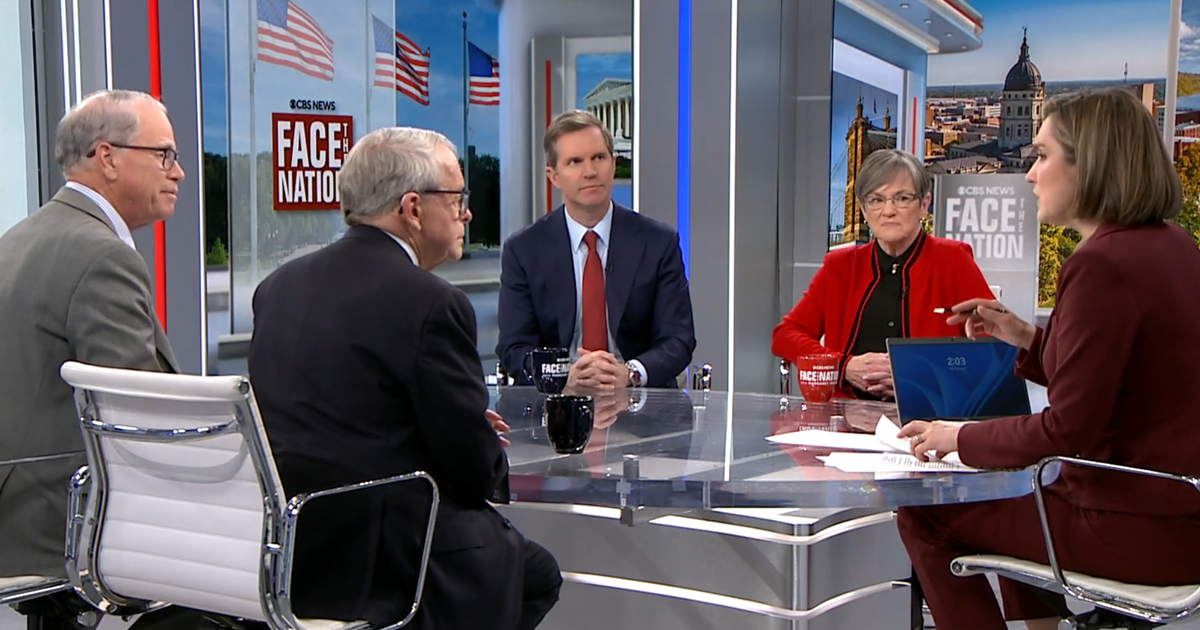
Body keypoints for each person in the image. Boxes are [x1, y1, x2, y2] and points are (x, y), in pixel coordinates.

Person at [894, 88, 1200, 630]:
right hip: (1178, 521)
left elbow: (1068, 430)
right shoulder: (1171, 245)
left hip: (1134, 529)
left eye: (1042, 156)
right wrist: (1023, 336)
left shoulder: (1101, 264)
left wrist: (956, 436)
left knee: (925, 514)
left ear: (1091, 163)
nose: (1031, 175)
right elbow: (1119, 381)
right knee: (1016, 487)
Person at [248, 127, 561, 630]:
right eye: (458, 199)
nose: (466, 215)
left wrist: (442, 423)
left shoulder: (278, 286)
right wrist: (473, 435)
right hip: (387, 556)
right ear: (413, 208)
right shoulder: (431, 302)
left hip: (295, 551)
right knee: (536, 574)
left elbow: (341, 413)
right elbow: (474, 471)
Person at [0, 89, 181, 585]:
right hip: (59, 524)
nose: (179, 172)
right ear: (108, 157)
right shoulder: (103, 255)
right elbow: (136, 418)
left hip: (16, 511)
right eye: (164, 154)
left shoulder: (18, 238)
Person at [771, 149, 992, 400]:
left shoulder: (953, 260)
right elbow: (785, 335)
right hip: (847, 416)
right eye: (876, 200)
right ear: (863, 210)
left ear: (924, 204)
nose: (888, 211)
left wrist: (916, 376)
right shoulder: (840, 266)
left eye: (902, 198)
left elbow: (991, 351)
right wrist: (842, 365)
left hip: (930, 415)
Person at [497, 110, 695, 390]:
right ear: (553, 176)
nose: (590, 171)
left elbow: (678, 339)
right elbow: (514, 347)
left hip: (639, 402)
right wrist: (563, 376)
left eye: (599, 158)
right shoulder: (524, 250)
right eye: (575, 162)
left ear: (613, 164)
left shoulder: (658, 242)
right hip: (557, 403)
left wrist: (630, 373)